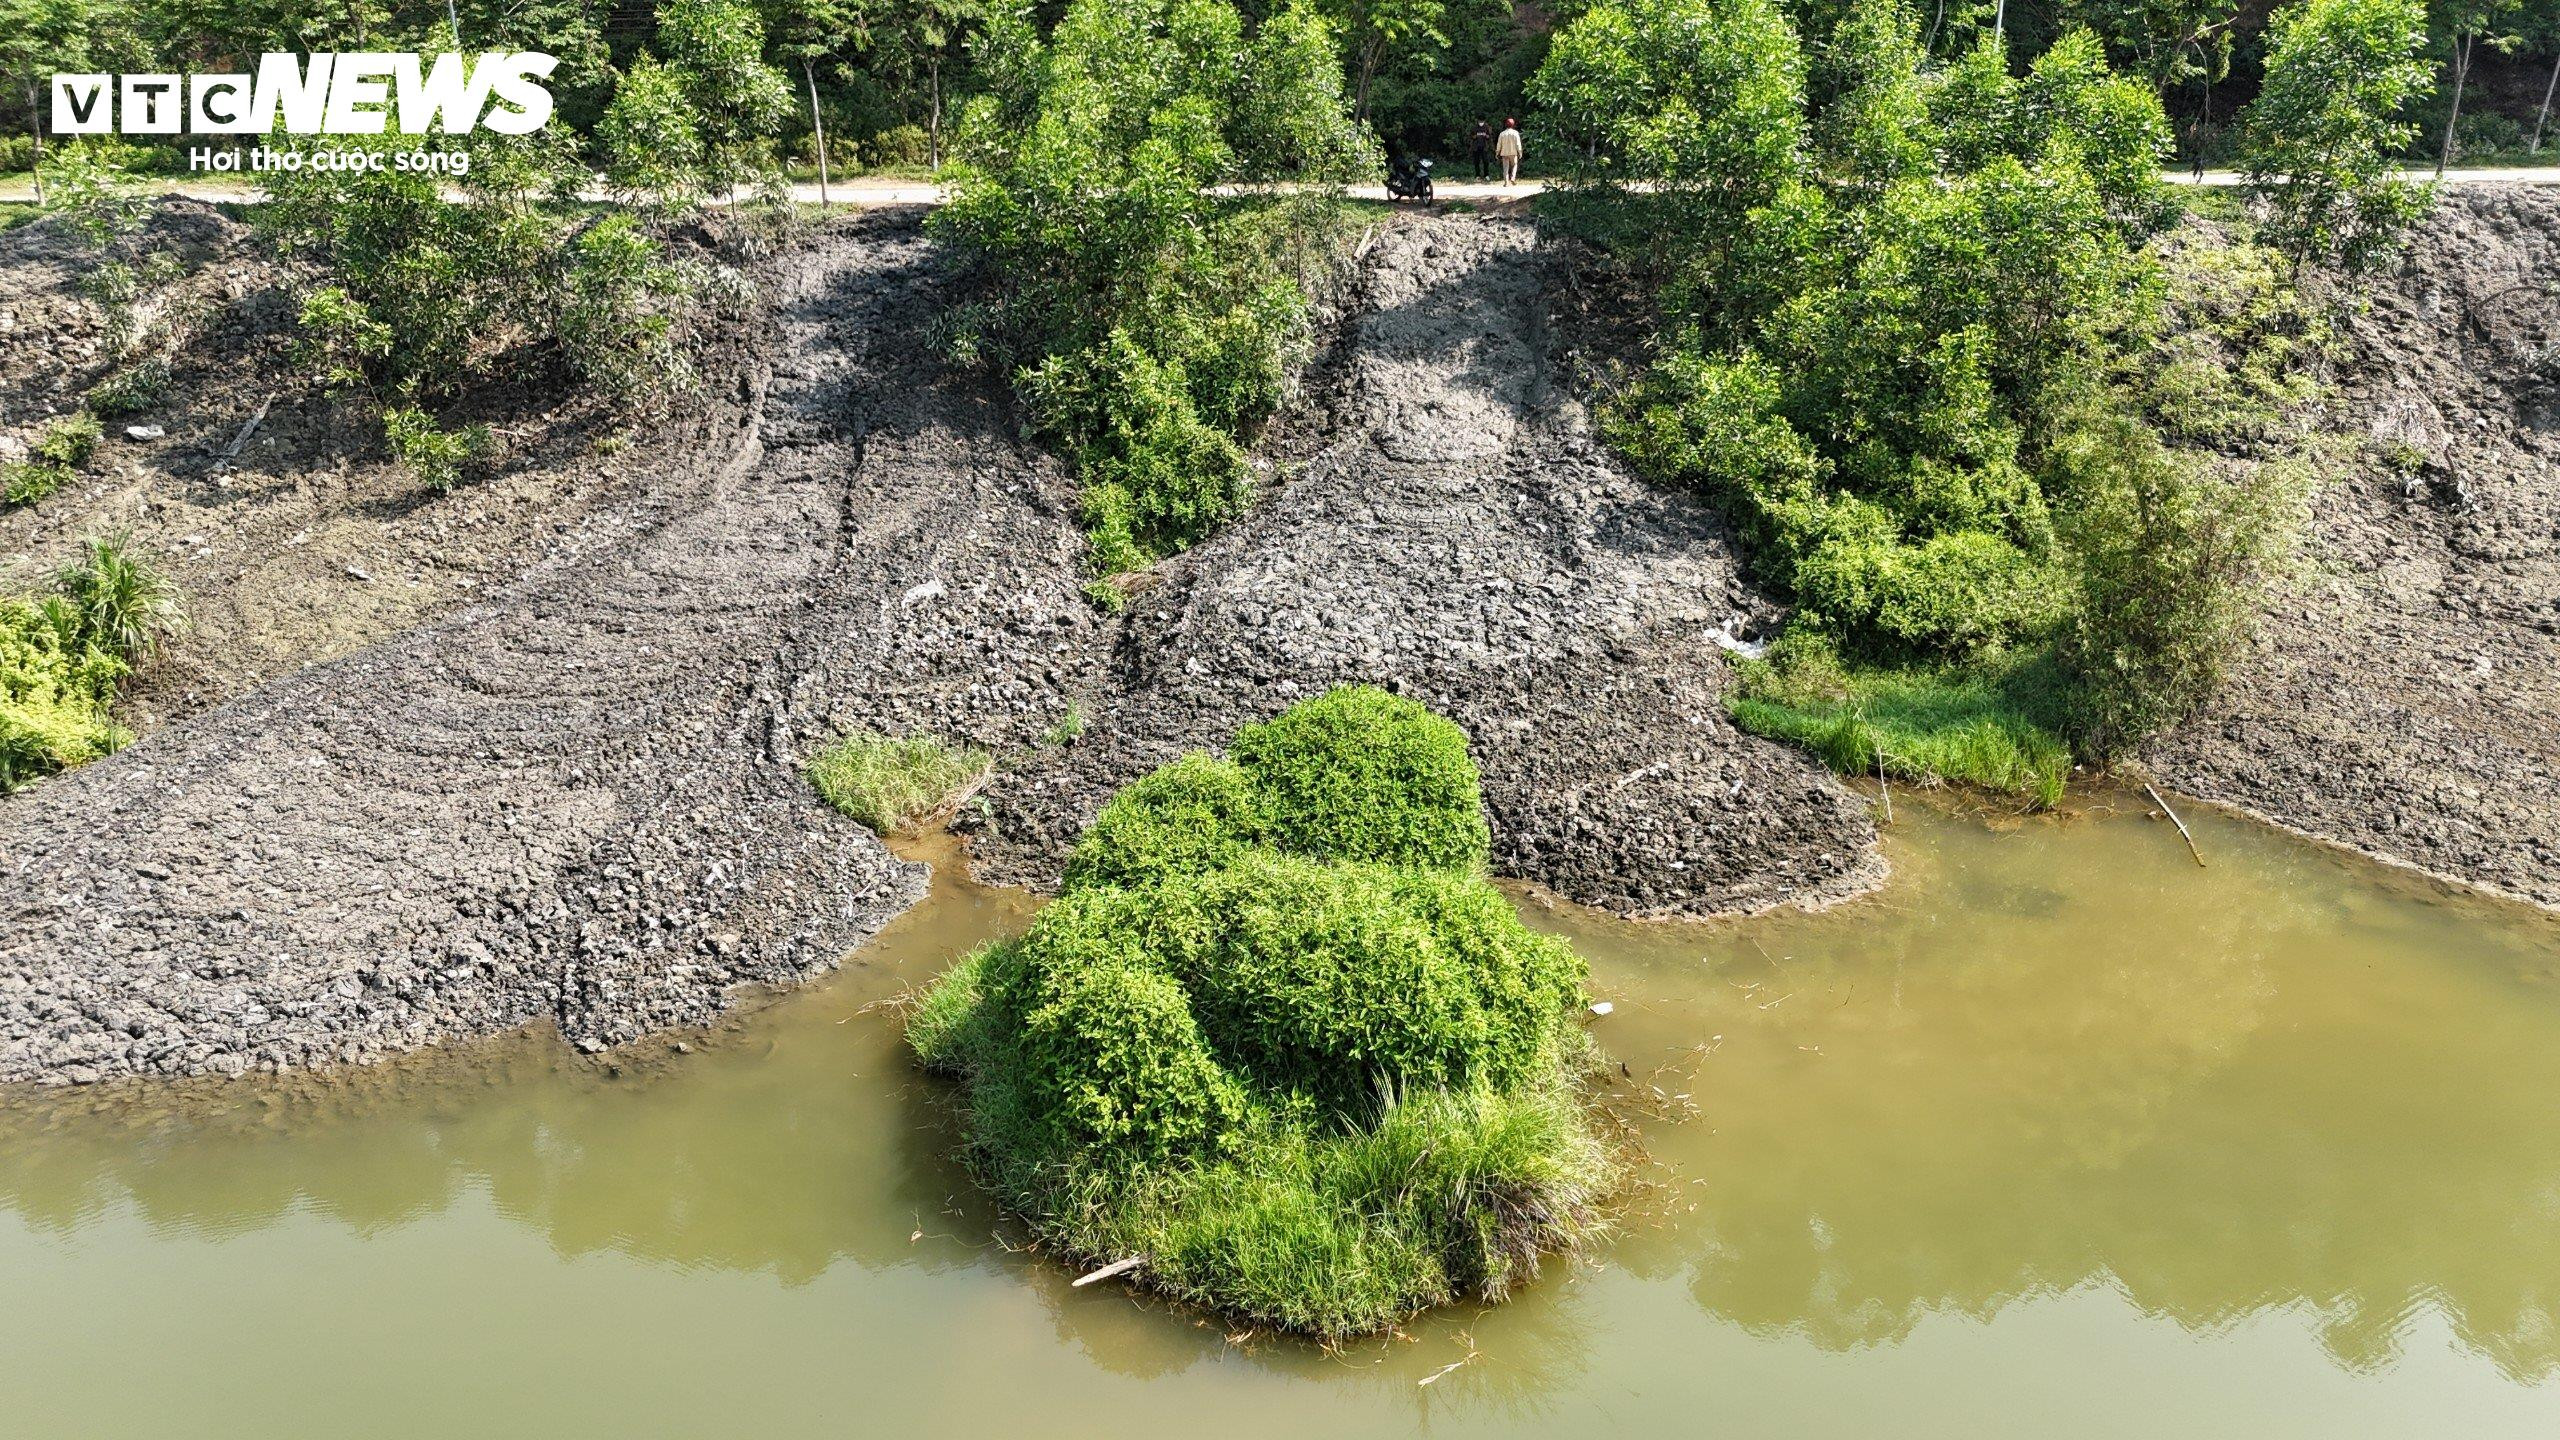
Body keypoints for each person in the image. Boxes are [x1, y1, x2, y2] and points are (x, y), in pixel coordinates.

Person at [1495, 118, 1523, 185]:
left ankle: (1506, 182)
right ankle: (1513, 178)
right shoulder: (1515, 133)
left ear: (1506, 125)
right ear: (1513, 125)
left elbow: (1499, 144)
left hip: (1504, 153)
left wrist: (1497, 152)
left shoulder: (1502, 134)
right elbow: (1518, 144)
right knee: (1514, 165)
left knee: (1505, 168)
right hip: (1513, 153)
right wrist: (1520, 152)